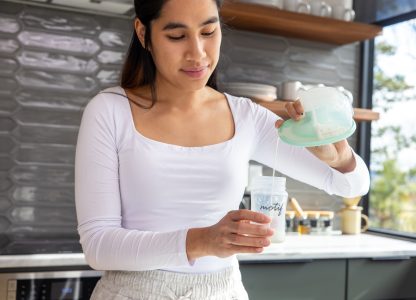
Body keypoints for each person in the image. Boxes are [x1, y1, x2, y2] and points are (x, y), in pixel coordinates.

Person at [74, 0, 370, 299]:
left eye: (208, 32)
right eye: (177, 36)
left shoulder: (246, 117)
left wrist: (339, 157)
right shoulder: (110, 111)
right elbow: (99, 247)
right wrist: (203, 241)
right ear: (143, 33)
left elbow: (351, 186)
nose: (198, 53)